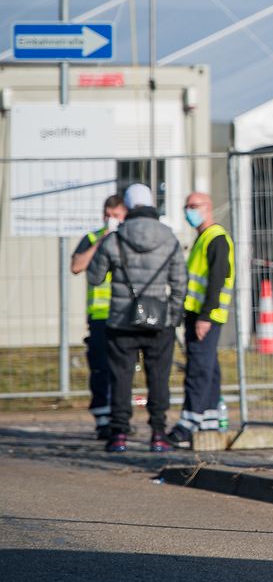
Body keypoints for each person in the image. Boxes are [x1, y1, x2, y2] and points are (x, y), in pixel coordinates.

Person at [87, 183, 185, 453]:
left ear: (127, 208)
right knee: (158, 377)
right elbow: (180, 281)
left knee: (121, 377)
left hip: (121, 320)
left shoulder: (115, 239)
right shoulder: (169, 237)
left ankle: (118, 435)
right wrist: (173, 315)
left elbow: (95, 277)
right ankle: (157, 434)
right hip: (159, 322)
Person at [166, 191, 234, 448]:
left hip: (206, 316)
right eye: (186, 206)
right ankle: (208, 420)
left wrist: (205, 316)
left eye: (194, 206)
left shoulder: (216, 238)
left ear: (208, 207)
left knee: (198, 368)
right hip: (197, 314)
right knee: (208, 368)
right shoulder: (202, 238)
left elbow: (217, 280)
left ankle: (189, 421)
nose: (189, 211)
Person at [69, 194, 127, 439]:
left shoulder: (130, 238)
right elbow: (76, 266)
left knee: (122, 369)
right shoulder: (93, 237)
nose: (110, 219)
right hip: (100, 314)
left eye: (116, 215)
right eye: (107, 215)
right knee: (101, 368)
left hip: (124, 314)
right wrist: (102, 241)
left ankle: (120, 419)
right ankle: (103, 419)